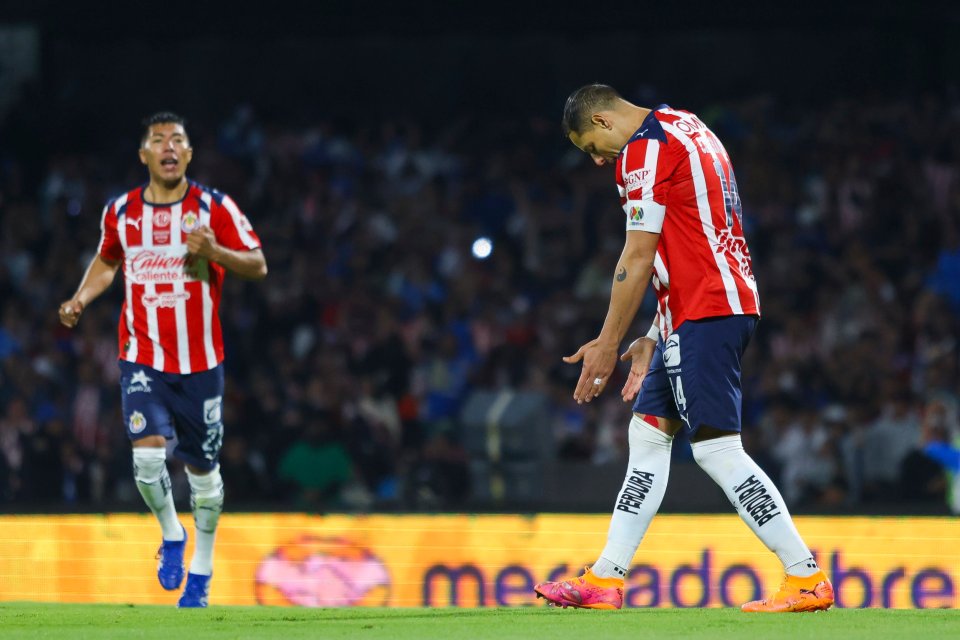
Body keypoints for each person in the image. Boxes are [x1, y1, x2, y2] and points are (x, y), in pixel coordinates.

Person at [534, 85, 833, 613]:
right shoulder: (688, 125)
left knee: (717, 449)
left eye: (590, 148)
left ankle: (804, 575)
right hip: (702, 307)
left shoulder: (641, 152)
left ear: (603, 121)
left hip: (707, 310)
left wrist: (608, 342)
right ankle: (606, 577)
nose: (599, 161)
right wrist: (653, 334)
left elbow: (640, 251)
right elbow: (693, 238)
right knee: (647, 436)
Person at [58, 112, 267, 607]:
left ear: (189, 155)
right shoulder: (121, 212)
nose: (169, 146)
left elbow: (257, 264)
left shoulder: (214, 208)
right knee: (148, 456)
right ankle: (173, 535)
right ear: (144, 155)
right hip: (142, 356)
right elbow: (108, 261)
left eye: (178, 140)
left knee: (205, 478)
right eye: (159, 140)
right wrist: (79, 299)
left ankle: (203, 569)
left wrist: (215, 250)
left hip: (201, 364)